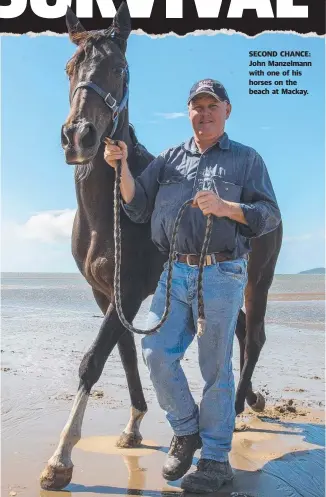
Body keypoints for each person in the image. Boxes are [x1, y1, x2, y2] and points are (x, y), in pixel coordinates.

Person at [104, 79, 281, 493]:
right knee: (155, 351)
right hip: (175, 271)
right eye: (197, 107)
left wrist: (226, 208)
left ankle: (216, 461)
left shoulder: (246, 159)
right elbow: (135, 204)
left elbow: (269, 214)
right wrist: (122, 166)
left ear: (226, 110)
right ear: (188, 112)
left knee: (214, 369)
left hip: (222, 274)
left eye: (211, 106)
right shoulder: (169, 159)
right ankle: (186, 429)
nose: (204, 114)